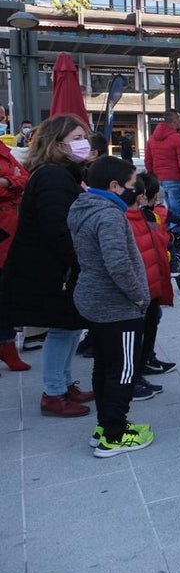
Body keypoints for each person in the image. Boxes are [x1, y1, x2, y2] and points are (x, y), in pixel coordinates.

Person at [0, 115, 94, 416]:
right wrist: (79, 262)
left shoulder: (61, 173)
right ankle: (53, 393)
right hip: (51, 269)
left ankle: (64, 384)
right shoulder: (53, 176)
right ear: (57, 143)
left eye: (85, 137)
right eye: (77, 138)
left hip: (55, 267)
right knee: (62, 329)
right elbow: (59, 227)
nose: (84, 144)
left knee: (69, 328)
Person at [68, 156, 154, 456]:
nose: (135, 191)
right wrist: (139, 297)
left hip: (94, 301)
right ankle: (114, 435)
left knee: (105, 365)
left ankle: (107, 425)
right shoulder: (109, 216)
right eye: (131, 185)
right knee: (124, 369)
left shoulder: (83, 207)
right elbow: (118, 264)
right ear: (114, 186)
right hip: (117, 306)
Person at [125, 171, 177, 400]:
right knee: (138, 333)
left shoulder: (148, 216)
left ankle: (144, 364)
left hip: (152, 281)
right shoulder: (133, 218)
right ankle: (133, 377)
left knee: (150, 324)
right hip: (142, 286)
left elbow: (159, 242)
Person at [0, 137, 30, 374]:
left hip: (9, 229)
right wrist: (12, 184)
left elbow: (25, 178)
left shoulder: (4, 150)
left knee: (5, 291)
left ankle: (7, 344)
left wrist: (8, 182)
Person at [145, 109, 180, 244]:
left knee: (165, 211)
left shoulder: (152, 139)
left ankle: (168, 238)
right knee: (177, 213)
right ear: (174, 121)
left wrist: (154, 177)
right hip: (176, 179)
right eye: (179, 119)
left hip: (160, 179)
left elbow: (148, 161)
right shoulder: (177, 139)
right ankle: (175, 241)